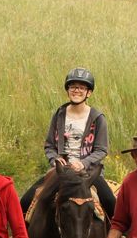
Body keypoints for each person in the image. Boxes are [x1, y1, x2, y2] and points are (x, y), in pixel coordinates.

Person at [20, 67, 116, 219]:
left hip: (88, 172)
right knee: (25, 201)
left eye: (81, 87)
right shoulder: (59, 115)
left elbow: (101, 150)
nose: (76, 90)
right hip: (61, 171)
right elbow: (50, 145)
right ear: (68, 90)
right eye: (73, 86)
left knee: (111, 202)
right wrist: (55, 160)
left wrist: (83, 163)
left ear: (88, 92)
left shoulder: (98, 118)